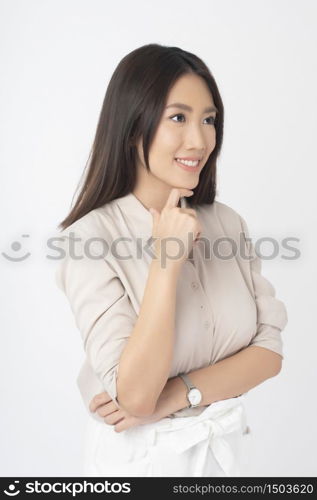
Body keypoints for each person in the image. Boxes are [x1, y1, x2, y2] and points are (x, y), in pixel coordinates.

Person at [55, 43, 288, 477]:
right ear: (131, 126)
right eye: (178, 117)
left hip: (224, 461)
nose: (199, 140)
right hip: (139, 466)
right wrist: (166, 261)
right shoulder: (88, 241)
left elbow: (269, 354)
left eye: (209, 119)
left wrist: (177, 394)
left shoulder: (228, 224)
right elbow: (136, 397)